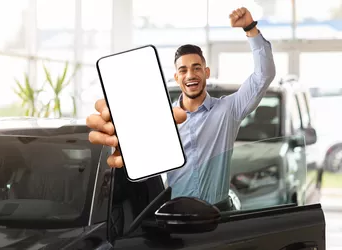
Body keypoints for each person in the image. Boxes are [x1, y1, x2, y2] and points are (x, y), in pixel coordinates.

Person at [86, 7, 276, 211]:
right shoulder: (163, 119)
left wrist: (250, 27)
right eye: (183, 70)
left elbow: (263, 75)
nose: (190, 75)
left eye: (196, 68)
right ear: (177, 78)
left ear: (206, 72)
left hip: (218, 214)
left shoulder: (228, 110)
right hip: (174, 215)